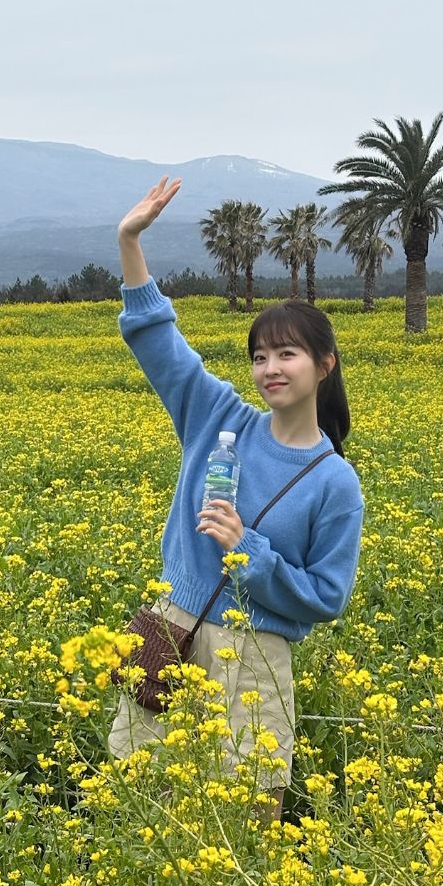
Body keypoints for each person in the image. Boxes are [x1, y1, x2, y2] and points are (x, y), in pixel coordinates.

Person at [108, 177, 364, 818]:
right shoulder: (219, 418)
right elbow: (160, 345)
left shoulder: (335, 481)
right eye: (259, 356)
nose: (270, 369)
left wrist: (246, 549)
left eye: (287, 354)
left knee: (249, 815)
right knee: (142, 800)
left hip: (256, 656)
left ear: (324, 365)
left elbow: (326, 596)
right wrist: (129, 241)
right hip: (173, 626)